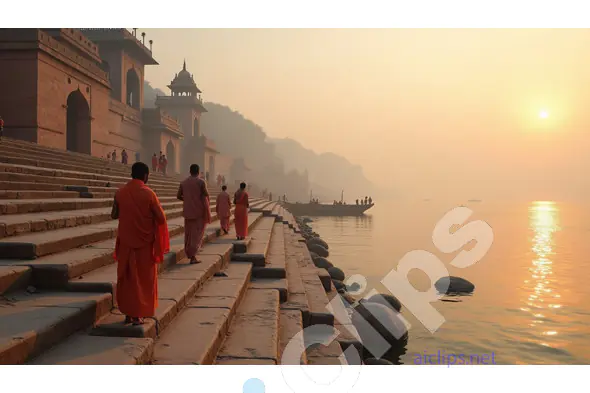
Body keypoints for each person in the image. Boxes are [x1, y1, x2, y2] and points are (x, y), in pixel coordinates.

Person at [110, 162, 169, 326]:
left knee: (127, 279)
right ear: (145, 176)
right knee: (143, 280)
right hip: (144, 245)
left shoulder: (120, 193)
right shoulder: (149, 194)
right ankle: (138, 315)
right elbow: (161, 218)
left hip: (126, 244)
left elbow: (114, 215)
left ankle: (129, 314)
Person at [177, 164, 211, 264]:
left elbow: (178, 195)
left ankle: (190, 253)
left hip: (188, 211)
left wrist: (187, 199)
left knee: (188, 233)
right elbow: (206, 194)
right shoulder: (201, 182)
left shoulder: (183, 183)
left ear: (190, 171)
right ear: (198, 171)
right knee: (197, 234)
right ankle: (193, 257)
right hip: (198, 211)